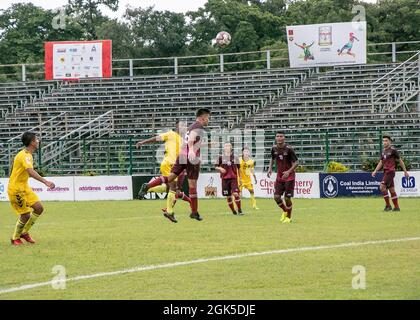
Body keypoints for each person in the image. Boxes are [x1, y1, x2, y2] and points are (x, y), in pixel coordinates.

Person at [138, 108, 211, 222]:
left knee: (172, 182)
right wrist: (192, 151)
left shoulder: (188, 129)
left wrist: (204, 145)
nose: (208, 120)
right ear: (203, 117)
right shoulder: (197, 127)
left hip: (181, 156)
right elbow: (191, 140)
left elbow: (190, 142)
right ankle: (193, 212)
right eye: (208, 118)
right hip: (187, 159)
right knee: (190, 186)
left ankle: (149, 188)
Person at [136, 120, 191, 222]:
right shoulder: (171, 134)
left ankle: (148, 188)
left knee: (168, 189)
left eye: (185, 126)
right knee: (173, 188)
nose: (183, 127)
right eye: (181, 126)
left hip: (175, 165)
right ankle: (169, 212)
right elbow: (156, 138)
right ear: (177, 127)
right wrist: (143, 142)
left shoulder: (183, 140)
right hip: (169, 163)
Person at [7, 132, 55, 245]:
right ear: (32, 142)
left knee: (39, 208)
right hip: (16, 189)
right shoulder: (24, 155)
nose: (38, 141)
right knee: (25, 215)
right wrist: (45, 181)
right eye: (36, 139)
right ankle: (15, 238)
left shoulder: (27, 155)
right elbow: (30, 171)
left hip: (24, 187)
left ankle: (24, 232)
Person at [372, 135, 409, 212]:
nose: (384, 142)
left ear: (390, 141)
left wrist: (405, 171)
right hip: (385, 171)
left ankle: (388, 206)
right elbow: (381, 162)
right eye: (384, 141)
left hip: (390, 171)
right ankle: (396, 207)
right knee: (392, 190)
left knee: (382, 187)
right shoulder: (383, 151)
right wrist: (375, 170)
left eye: (386, 141)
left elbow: (400, 161)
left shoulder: (393, 150)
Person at [268, 131, 298, 224]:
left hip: (289, 177)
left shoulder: (289, 149)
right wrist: (270, 168)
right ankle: (285, 211)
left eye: (281, 136)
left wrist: (289, 172)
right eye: (277, 136)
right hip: (279, 177)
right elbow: (272, 159)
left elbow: (296, 162)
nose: (279, 138)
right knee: (276, 197)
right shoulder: (273, 148)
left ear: (284, 138)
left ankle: (289, 217)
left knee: (287, 198)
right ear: (275, 138)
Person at [216, 143, 243, 215]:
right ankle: (233, 211)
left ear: (231, 147)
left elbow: (239, 168)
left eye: (228, 146)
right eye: (225, 146)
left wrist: (240, 178)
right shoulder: (220, 157)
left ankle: (239, 210)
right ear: (224, 148)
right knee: (228, 196)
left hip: (233, 178)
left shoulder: (235, 157)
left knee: (236, 194)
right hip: (224, 179)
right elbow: (216, 166)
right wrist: (220, 168)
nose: (227, 147)